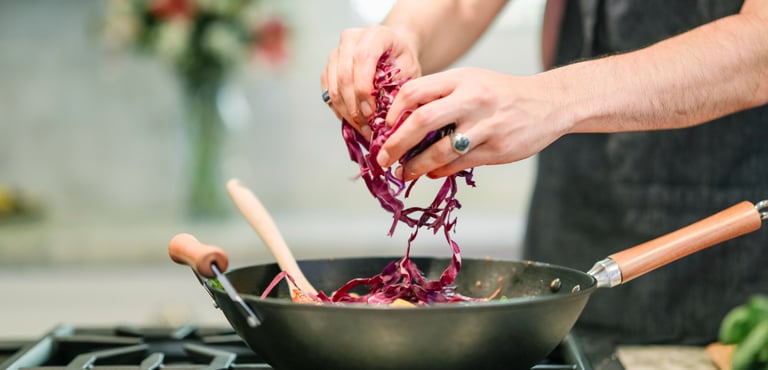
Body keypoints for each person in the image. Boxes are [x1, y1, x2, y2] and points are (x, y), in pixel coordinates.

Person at [321, 0, 768, 346]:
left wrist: (550, 99)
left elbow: (759, 45)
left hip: (733, 250)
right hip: (570, 227)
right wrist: (402, 34)